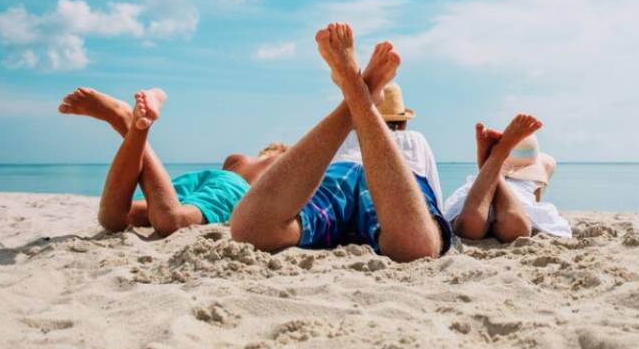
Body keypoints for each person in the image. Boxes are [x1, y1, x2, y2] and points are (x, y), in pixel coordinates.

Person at [229, 24, 451, 263]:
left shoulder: (341, 136)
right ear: (403, 123)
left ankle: (354, 93)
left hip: (341, 172)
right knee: (416, 245)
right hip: (394, 180)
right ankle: (357, 91)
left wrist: (355, 103)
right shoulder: (414, 139)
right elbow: (434, 205)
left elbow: (311, 175)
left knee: (252, 230)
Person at [58, 87, 281, 236]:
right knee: (172, 220)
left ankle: (125, 121)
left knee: (115, 219)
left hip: (197, 181)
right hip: (235, 187)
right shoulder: (275, 160)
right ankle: (125, 122)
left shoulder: (236, 160)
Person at [444, 116, 572, 242]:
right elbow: (535, 202)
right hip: (515, 200)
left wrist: (487, 169)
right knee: (517, 229)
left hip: (479, 191)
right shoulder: (532, 181)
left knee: (466, 227)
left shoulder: (478, 180)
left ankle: (494, 164)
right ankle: (497, 164)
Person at [331, 81, 443, 213]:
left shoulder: (343, 139)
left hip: (348, 196)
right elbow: (433, 187)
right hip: (401, 199)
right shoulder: (414, 139)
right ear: (403, 123)